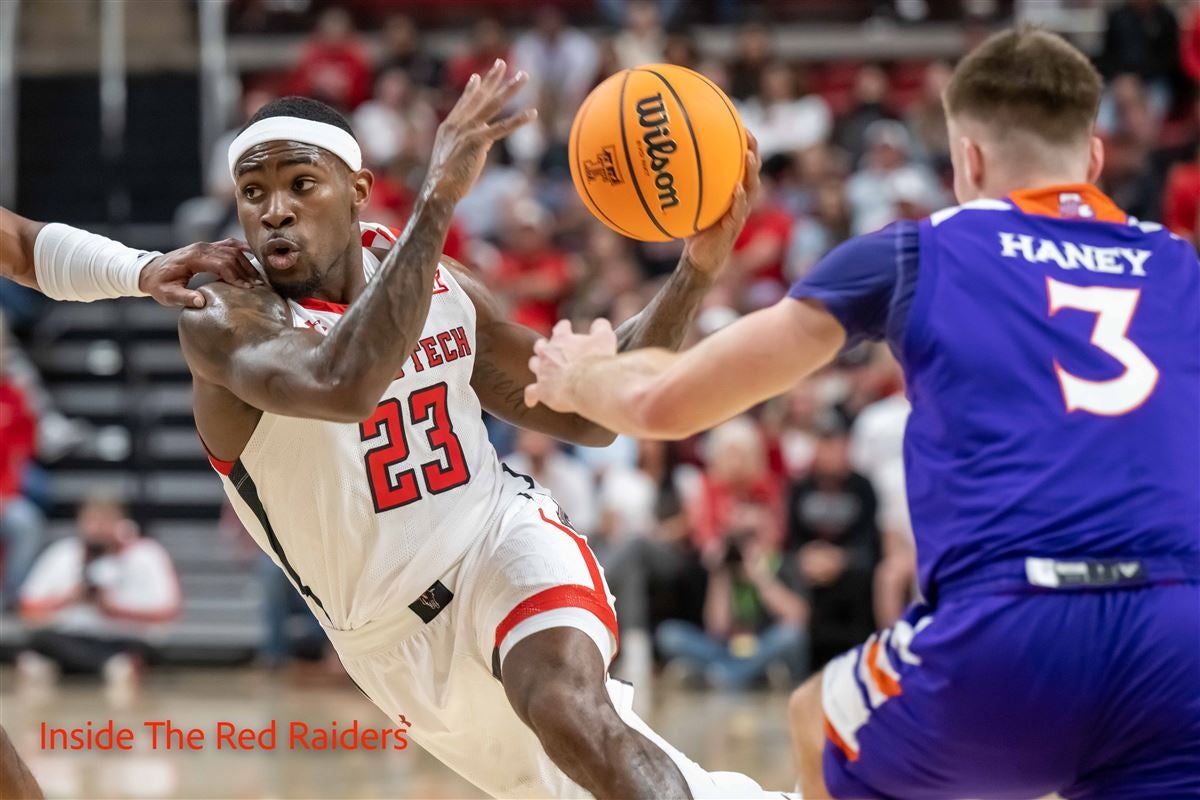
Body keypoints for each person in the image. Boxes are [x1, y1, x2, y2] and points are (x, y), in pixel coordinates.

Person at [525, 28, 1200, 800]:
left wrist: (582, 376)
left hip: (1012, 627)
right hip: (1179, 634)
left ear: (968, 161)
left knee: (817, 717)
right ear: (1095, 160)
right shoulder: (1179, 264)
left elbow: (664, 403)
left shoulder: (917, 252)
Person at [175, 62, 786, 800]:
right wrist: (438, 199)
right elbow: (341, 382)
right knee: (599, 776)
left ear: (358, 194)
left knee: (567, 705)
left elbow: (586, 411)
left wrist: (693, 270)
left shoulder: (445, 286)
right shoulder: (223, 322)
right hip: (387, 640)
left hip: (497, 538)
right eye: (253, 193)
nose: (275, 209)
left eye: (301, 184)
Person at [18, 495, 181, 687]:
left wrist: (114, 609)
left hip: (127, 636)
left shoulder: (146, 554)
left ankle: (80, 666)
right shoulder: (62, 553)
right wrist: (69, 598)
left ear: (121, 522)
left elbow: (169, 611)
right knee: (42, 640)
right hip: (73, 635)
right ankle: (107, 665)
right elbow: (27, 606)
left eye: (105, 520)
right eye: (92, 521)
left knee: (141, 651)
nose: (98, 528)